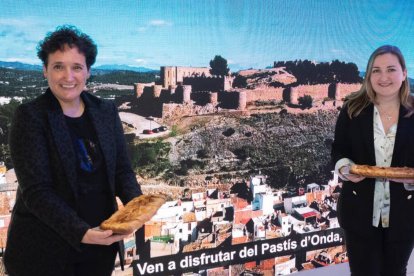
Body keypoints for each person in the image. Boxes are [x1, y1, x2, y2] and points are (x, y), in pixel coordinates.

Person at [3, 25, 142, 276]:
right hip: (42, 255)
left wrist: (138, 208)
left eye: (76, 67)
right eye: (58, 66)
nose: (68, 76)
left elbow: (122, 170)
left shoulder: (105, 112)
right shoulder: (31, 117)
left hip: (99, 249)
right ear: (45, 70)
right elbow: (37, 192)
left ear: (88, 71)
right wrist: (82, 233)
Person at [332, 45, 414, 276]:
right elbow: (338, 150)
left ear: (404, 73)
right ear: (368, 75)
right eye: (376, 70)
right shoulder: (352, 109)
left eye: (391, 69)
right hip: (358, 212)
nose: (384, 77)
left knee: (396, 272)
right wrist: (344, 168)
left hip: (405, 214)